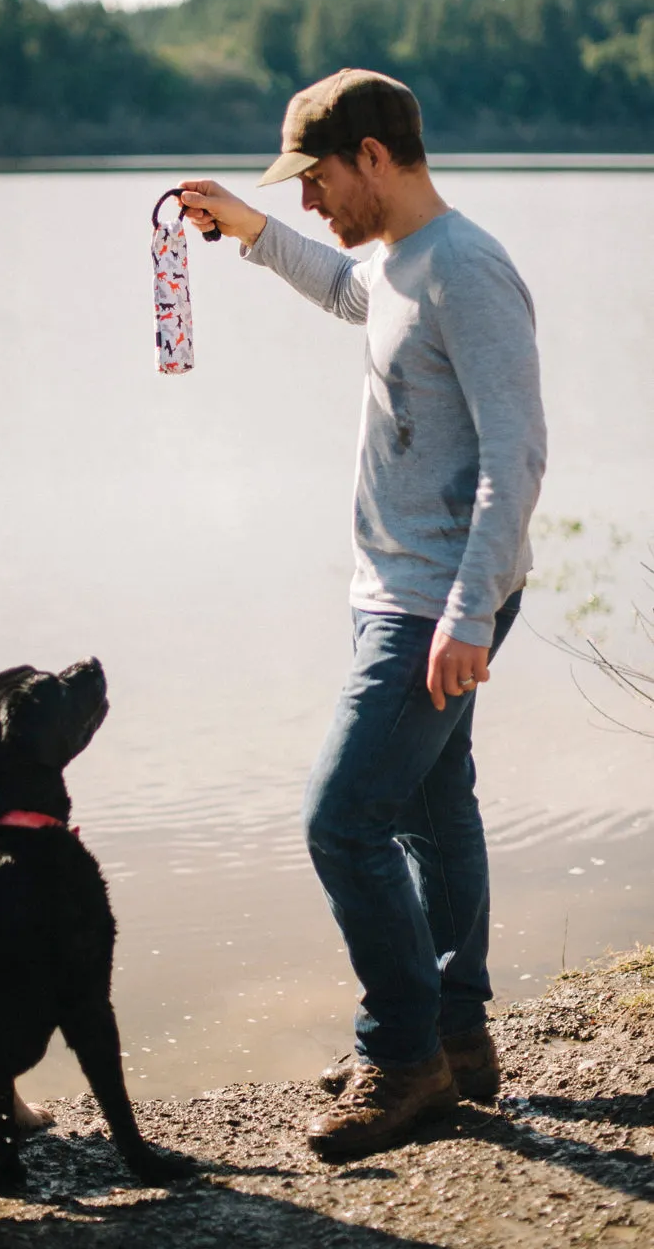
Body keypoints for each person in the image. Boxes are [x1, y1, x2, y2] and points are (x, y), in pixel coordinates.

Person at [180, 68, 546, 1160]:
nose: (308, 201)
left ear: (374, 156)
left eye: (316, 177)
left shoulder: (467, 269)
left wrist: (469, 610)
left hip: (436, 598)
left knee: (341, 818)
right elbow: (351, 292)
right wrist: (247, 234)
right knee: (433, 811)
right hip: (402, 591)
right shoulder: (400, 263)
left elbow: (514, 454)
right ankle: (458, 1034)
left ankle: (402, 1057)